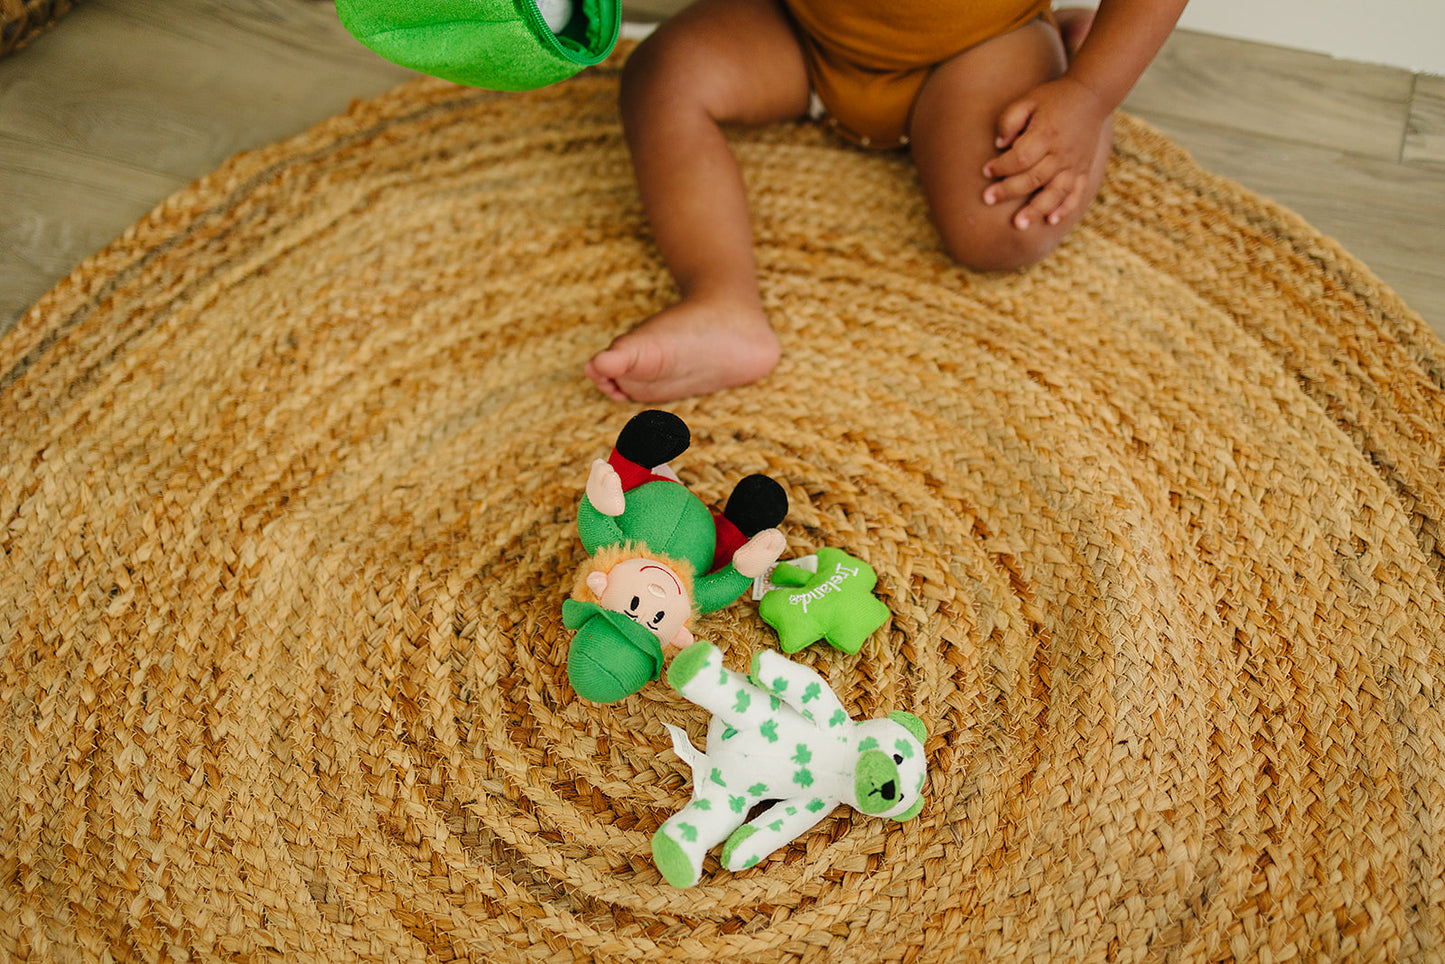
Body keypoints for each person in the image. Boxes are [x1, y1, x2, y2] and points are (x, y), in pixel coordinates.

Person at [584, 0, 1189, 403]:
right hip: (806, 33)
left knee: (1002, 228)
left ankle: (1071, 58)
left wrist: (1089, 93)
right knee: (664, 74)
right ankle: (723, 299)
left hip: (979, 48)